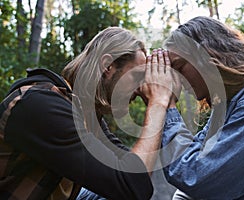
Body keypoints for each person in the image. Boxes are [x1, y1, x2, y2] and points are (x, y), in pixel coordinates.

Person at [0, 27, 174, 200]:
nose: (140, 90)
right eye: (137, 77)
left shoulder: (89, 117)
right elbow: (132, 185)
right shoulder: (41, 106)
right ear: (108, 66)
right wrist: (157, 103)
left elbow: (135, 174)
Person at [145, 16, 244, 199]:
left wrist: (165, 104)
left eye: (179, 66)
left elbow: (194, 176)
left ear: (207, 55)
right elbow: (197, 161)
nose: (175, 79)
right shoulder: (231, 103)